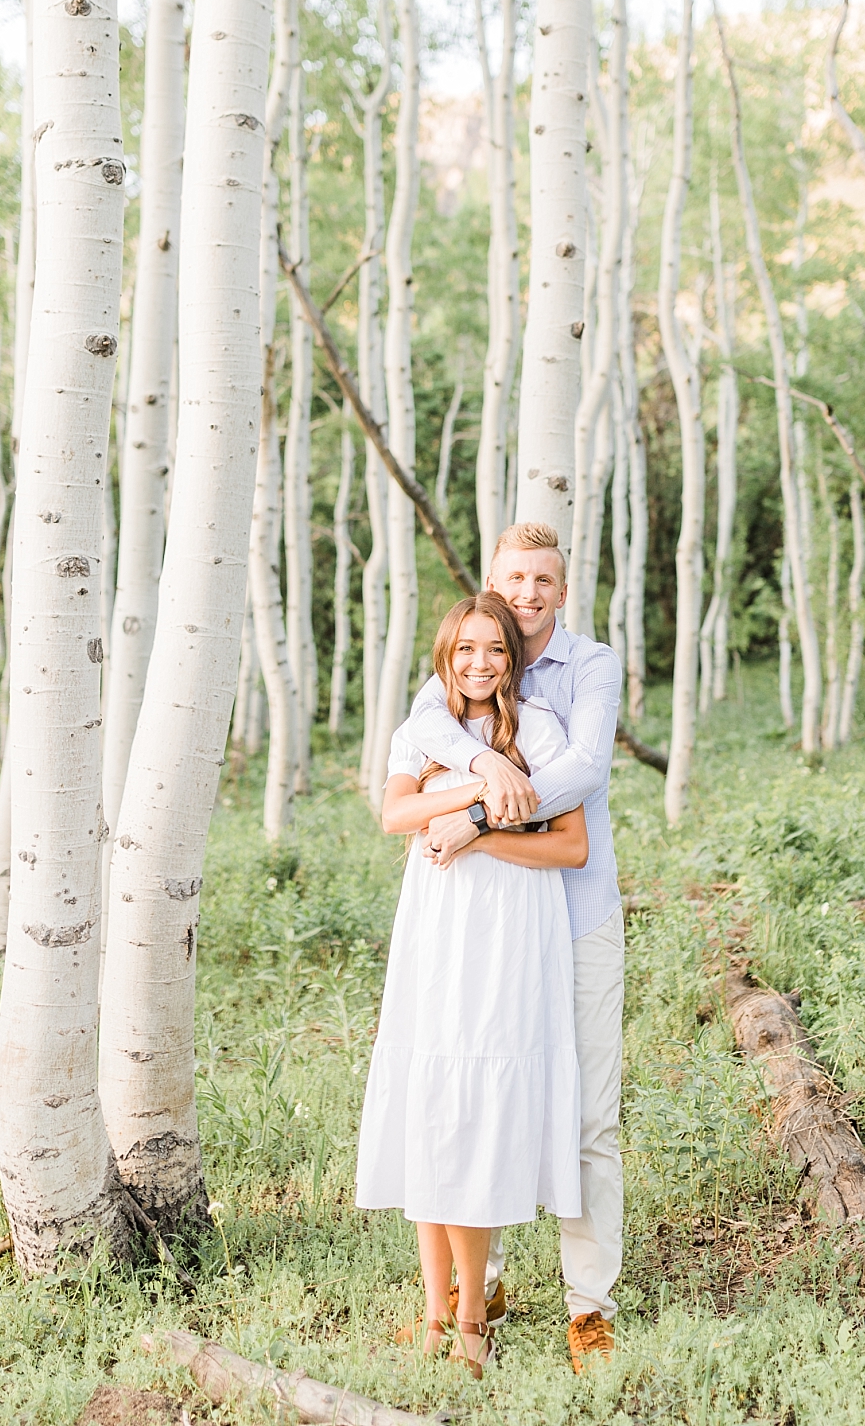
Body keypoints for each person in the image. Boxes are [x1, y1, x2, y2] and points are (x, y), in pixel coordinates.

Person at [403, 521, 624, 1374]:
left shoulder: (591, 666)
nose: (528, 592)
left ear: (561, 590)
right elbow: (430, 732)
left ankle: (588, 1309)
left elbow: (583, 771)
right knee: (478, 1092)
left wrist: (475, 812)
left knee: (585, 1119)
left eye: (543, 579)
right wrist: (477, 764)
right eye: (513, 578)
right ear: (493, 585)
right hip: (489, 930)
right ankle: (477, 1288)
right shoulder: (468, 661)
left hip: (575, 915)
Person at [355, 590, 590, 1377]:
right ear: (446, 656)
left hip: (510, 930)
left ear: (511, 656)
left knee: (478, 1111)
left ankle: (471, 1317)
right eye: (467, 650)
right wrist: (482, 786)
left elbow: (571, 847)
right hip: (435, 926)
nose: (482, 662)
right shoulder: (427, 726)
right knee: (431, 1108)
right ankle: (432, 1310)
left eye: (495, 648)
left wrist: (481, 837)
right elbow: (395, 815)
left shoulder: (544, 728)